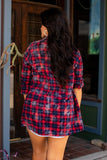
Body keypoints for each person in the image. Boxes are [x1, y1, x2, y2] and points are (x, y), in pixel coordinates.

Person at [21, 7, 84, 160]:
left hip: (36, 109)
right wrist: (71, 111)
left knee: (38, 153)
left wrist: (33, 105)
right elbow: (78, 88)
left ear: (48, 27)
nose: (40, 27)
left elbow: (25, 87)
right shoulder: (74, 53)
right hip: (63, 111)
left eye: (42, 24)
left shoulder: (32, 49)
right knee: (56, 156)